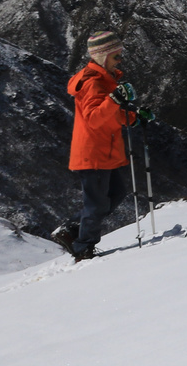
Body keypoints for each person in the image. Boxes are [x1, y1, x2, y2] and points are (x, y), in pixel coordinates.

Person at [51, 31, 148, 260]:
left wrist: (134, 117)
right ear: (103, 57)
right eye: (116, 56)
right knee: (96, 204)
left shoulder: (106, 79)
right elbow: (94, 118)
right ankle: (83, 248)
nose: (120, 60)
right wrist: (114, 99)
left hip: (105, 150)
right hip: (93, 153)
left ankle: (73, 229)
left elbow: (110, 115)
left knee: (116, 193)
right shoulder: (92, 82)